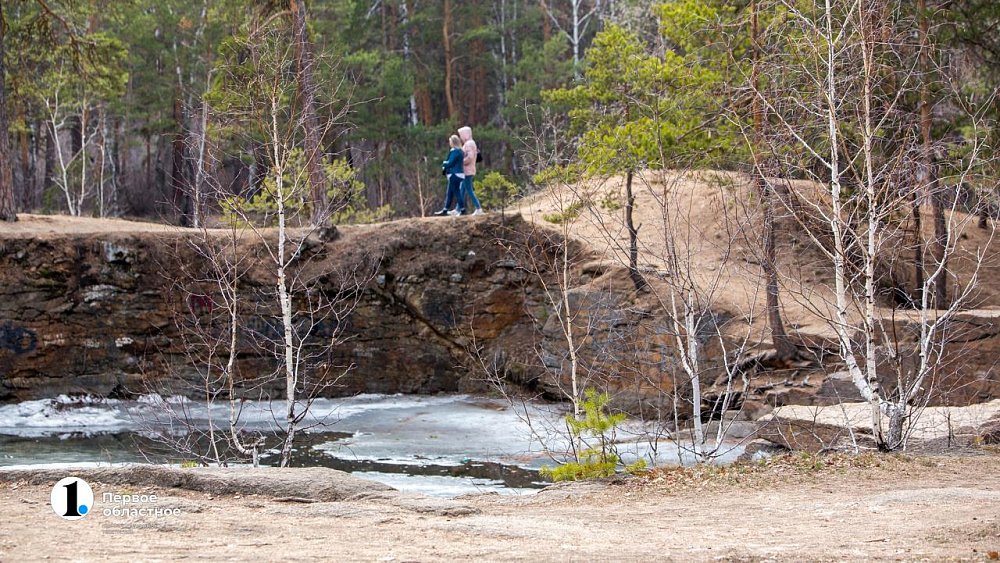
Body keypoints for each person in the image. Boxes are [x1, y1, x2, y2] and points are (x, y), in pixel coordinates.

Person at [433, 135, 466, 216]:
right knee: (450, 192)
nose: (449, 143)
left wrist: (444, 163)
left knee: (456, 192)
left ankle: (462, 209)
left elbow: (450, 162)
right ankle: (445, 209)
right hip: (459, 174)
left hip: (454, 174)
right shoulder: (460, 151)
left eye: (450, 141)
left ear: (453, 142)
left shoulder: (455, 151)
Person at [457, 126, 483, 215]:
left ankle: (478, 208)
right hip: (467, 170)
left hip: (467, 171)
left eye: (461, 135)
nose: (460, 137)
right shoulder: (470, 143)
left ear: (465, 134)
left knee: (468, 189)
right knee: (462, 190)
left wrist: (461, 162)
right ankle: (458, 209)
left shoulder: (469, 144)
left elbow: (470, 157)